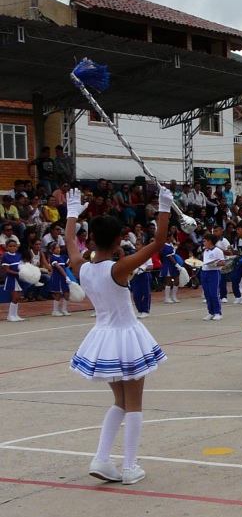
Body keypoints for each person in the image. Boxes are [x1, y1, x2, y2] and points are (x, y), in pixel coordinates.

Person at [66, 186, 172, 485]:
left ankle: (101, 458)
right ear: (117, 240)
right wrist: (164, 205)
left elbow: (69, 242)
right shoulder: (119, 268)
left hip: (102, 337)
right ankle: (129, 466)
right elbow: (159, 243)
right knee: (134, 403)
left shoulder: (82, 267)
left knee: (120, 402)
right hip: (126, 336)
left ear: (92, 240)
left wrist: (73, 213)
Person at [200, 234, 225, 321]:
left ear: (209, 241)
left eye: (205, 241)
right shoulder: (205, 251)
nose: (204, 243)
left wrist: (214, 264)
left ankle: (217, 312)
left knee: (213, 293)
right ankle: (211, 312)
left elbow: (222, 262)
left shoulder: (217, 251)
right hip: (205, 272)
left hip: (213, 273)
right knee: (207, 294)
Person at [2, 238, 26, 321]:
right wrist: (18, 273)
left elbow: (22, 266)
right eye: (10, 246)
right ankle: (10, 315)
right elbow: (7, 270)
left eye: (14, 246)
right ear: (7, 247)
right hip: (11, 279)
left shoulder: (19, 255)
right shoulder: (5, 257)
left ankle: (15, 314)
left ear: (17, 247)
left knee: (18, 297)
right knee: (15, 297)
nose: (12, 248)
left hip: (18, 279)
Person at [130, 240, 153, 319]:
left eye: (138, 244)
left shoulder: (146, 255)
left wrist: (143, 269)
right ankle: (140, 310)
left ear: (143, 246)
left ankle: (146, 310)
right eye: (136, 244)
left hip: (144, 275)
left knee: (146, 293)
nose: (136, 246)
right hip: (136, 275)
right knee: (136, 294)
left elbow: (151, 266)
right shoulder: (134, 255)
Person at [49, 241, 71, 316]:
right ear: (51, 250)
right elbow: (59, 268)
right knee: (58, 294)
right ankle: (55, 310)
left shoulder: (63, 257)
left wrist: (67, 268)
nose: (58, 249)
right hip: (58, 278)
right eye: (55, 248)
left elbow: (70, 262)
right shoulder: (53, 258)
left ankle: (64, 309)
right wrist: (66, 276)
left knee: (67, 293)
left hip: (64, 277)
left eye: (58, 247)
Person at [159, 239, 180, 304]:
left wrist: (175, 246)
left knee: (177, 281)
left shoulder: (171, 245)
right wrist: (177, 265)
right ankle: (167, 298)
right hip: (168, 265)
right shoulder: (165, 247)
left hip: (173, 265)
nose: (173, 238)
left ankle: (173, 296)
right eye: (171, 237)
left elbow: (173, 253)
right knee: (169, 281)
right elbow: (170, 257)